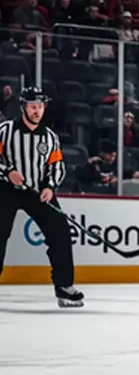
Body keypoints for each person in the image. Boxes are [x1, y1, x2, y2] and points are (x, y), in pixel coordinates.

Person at [0, 87, 83, 307]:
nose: (37, 111)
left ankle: (64, 287)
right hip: (5, 190)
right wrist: (7, 172)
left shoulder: (50, 136)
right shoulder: (5, 130)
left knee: (60, 232)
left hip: (37, 192)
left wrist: (50, 187)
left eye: (40, 106)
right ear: (23, 107)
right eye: (32, 106)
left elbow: (56, 166)